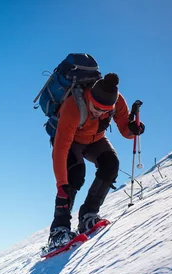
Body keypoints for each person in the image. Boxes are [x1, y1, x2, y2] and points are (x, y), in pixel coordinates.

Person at [48, 73, 145, 249]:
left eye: (104, 111)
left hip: (95, 140)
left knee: (111, 165)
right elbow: (60, 149)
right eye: (96, 108)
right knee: (74, 175)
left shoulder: (117, 102)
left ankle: (88, 215)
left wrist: (133, 129)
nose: (99, 112)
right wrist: (61, 185)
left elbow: (125, 131)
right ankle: (58, 231)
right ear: (89, 96)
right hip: (70, 141)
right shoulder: (73, 106)